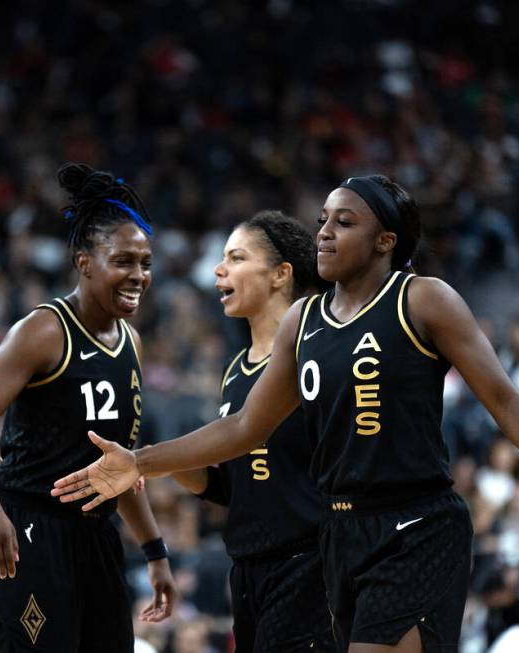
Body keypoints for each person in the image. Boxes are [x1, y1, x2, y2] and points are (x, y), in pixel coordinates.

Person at [53, 174, 519, 653]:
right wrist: (141, 462)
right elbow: (245, 427)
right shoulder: (304, 320)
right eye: (322, 220)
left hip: (415, 521)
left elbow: (504, 401)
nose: (324, 232)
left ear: (385, 240)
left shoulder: (422, 300)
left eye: (344, 222)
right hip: (340, 535)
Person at [0, 162, 176, 652]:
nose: (138, 275)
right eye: (124, 261)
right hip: (27, 529)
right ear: (85, 261)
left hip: (97, 538)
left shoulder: (131, 340)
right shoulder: (44, 330)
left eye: (145, 263)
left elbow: (122, 463)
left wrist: (155, 551)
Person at [169, 210, 333, 651]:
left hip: (308, 563)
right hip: (246, 568)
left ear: (281, 274)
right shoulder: (234, 372)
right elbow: (233, 488)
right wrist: (169, 464)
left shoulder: (316, 352)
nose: (219, 270)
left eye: (237, 258)